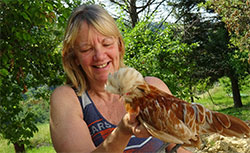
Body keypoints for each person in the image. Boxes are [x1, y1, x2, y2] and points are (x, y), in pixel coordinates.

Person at [50, 4, 191, 153]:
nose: (99, 56)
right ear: (74, 57)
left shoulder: (154, 87)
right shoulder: (67, 99)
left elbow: (179, 148)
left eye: (107, 44)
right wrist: (123, 132)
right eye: (86, 49)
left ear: (119, 46)